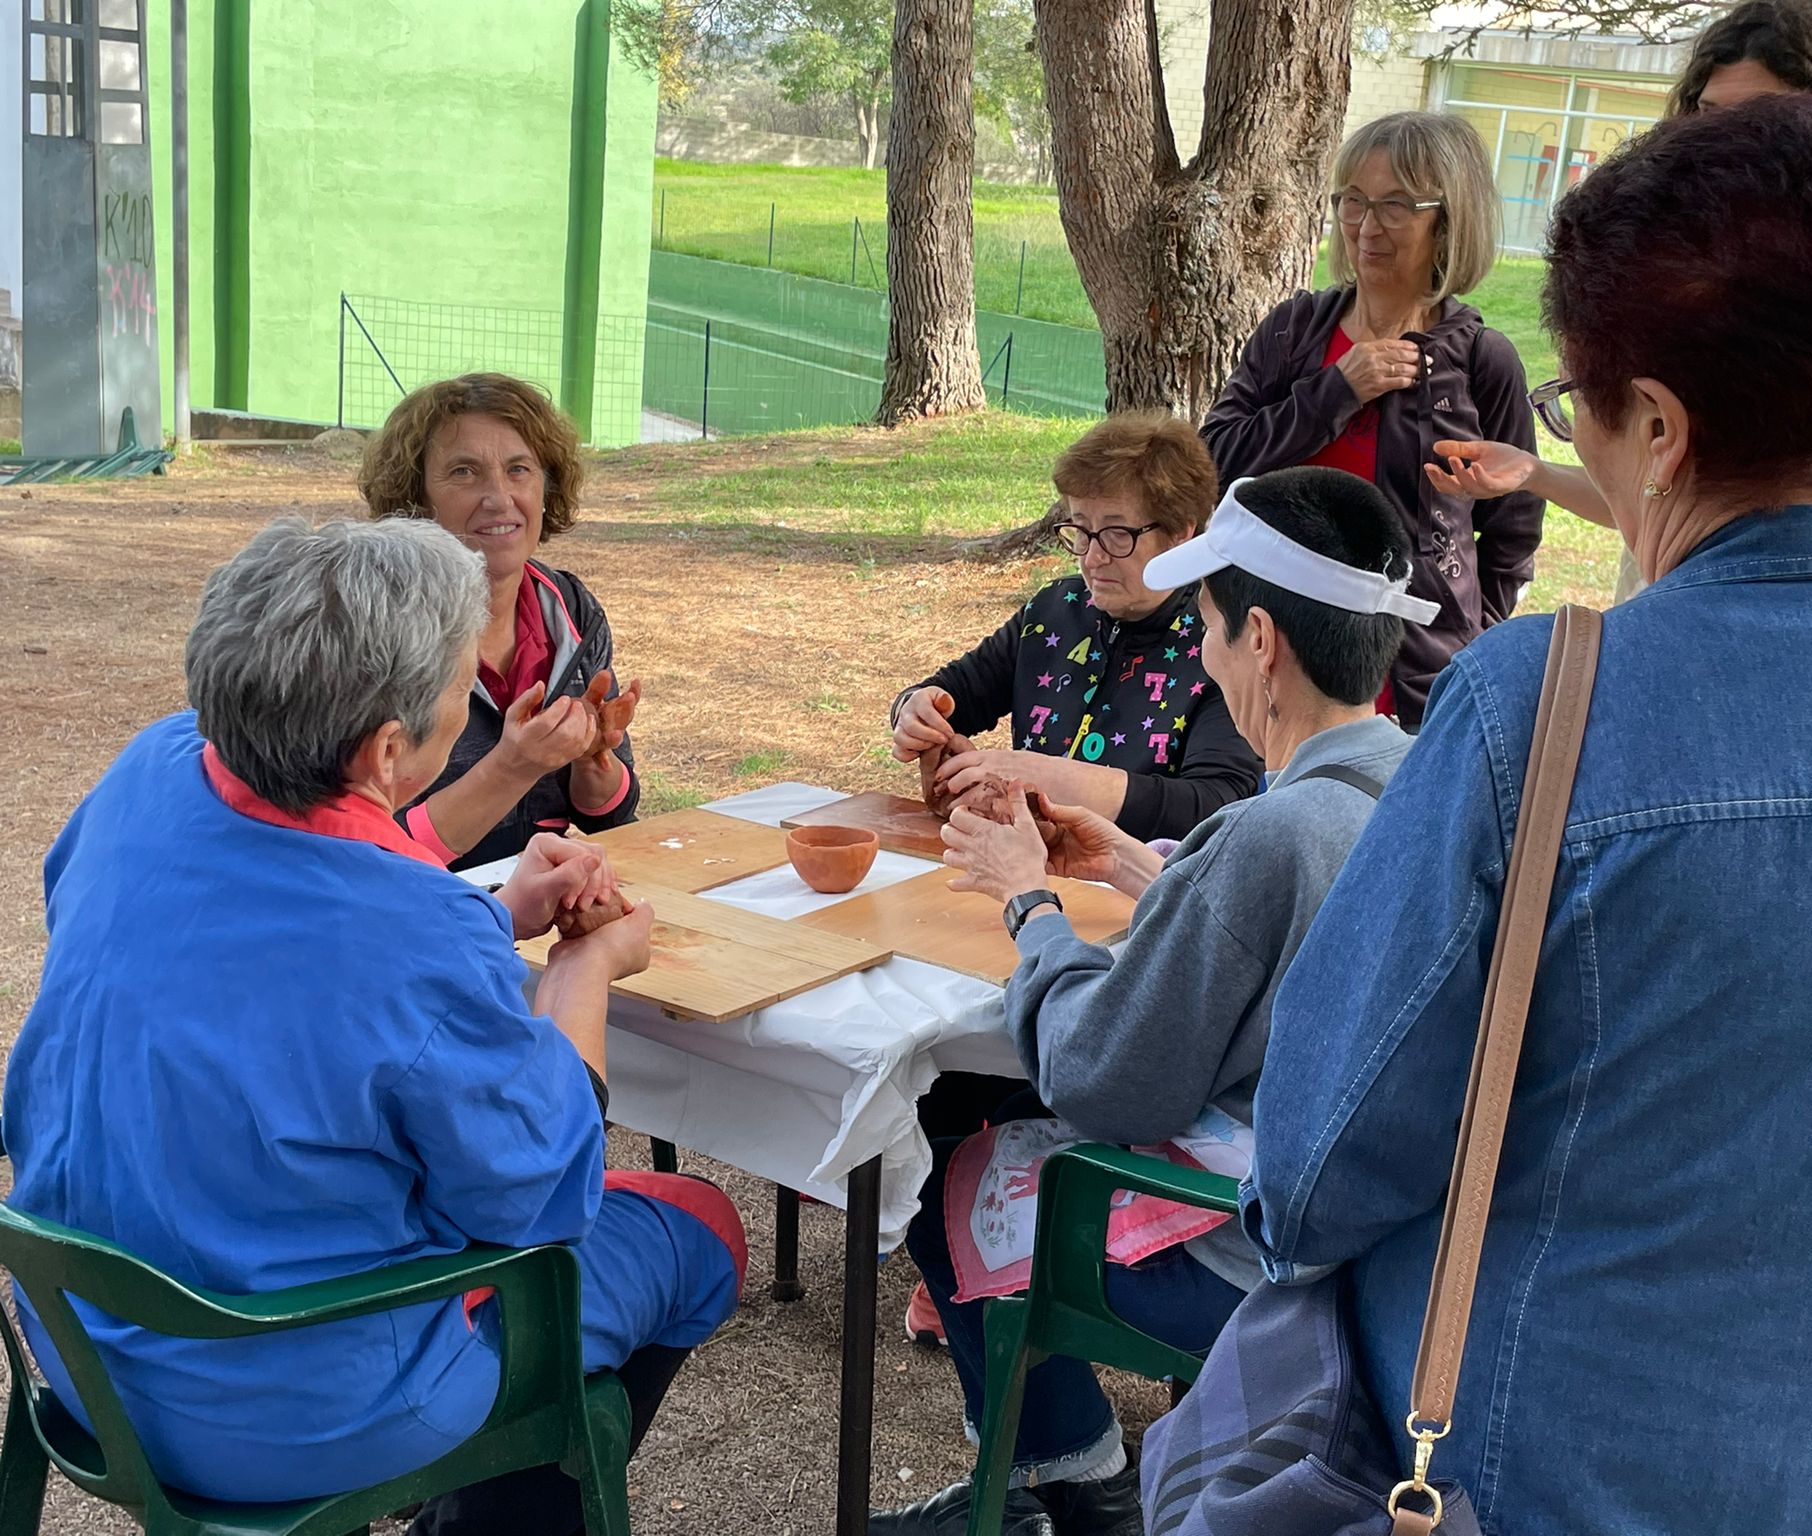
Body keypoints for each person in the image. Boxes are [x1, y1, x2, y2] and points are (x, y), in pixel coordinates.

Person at [1236, 96, 1812, 1533]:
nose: (1574, 435)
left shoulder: (1534, 713)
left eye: (1578, 408)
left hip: (1528, 1474)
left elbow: (1315, 1172)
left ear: (1657, 429)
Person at [2, 518, 745, 1535]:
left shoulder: (150, 770)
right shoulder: (415, 930)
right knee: (695, 1228)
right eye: (461, 689)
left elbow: (261, 948)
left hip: (83, 1348)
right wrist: (584, 969)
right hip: (294, 1408)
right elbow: (542, 1194)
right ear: (390, 749)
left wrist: (493, 914)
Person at [871, 468, 1431, 1536]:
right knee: (995, 1117)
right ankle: (1057, 1472)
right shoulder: (1413, 780)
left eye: (1209, 628)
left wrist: (1027, 899)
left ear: (1259, 641)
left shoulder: (1270, 835)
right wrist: (1139, 864)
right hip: (1378, 1224)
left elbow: (1103, 1078)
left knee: (944, 1166)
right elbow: (1279, 921)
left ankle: (1073, 1487)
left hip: (1258, 1248)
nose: (1203, 655)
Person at [1430, 0, 1812, 600]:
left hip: (1800, 622)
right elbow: (1664, 491)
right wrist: (1536, 473)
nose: (1721, 145)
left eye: (1761, 122)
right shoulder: (1668, 272)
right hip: (1662, 613)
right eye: (1709, 115)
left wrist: (1810, 514)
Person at [1199, 111, 1543, 727]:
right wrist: (1334, 392)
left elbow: (1512, 535)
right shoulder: (1294, 334)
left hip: (1411, 688)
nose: (1366, 226)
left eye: (1396, 205)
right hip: (1275, 662)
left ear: (1447, 223)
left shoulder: (1481, 361)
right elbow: (1215, 460)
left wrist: (1461, 640)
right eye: (1352, 201)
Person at [891, 411, 1259, 842]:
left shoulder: (1223, 642)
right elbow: (955, 693)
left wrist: (1053, 777)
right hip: (1024, 865)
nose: (1092, 557)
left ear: (1181, 533)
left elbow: (1219, 806)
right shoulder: (1055, 610)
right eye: (1080, 530)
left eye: (1117, 534)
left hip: (1145, 879)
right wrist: (914, 710)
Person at [360, 372, 642, 871]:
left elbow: (612, 816)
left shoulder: (570, 611)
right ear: (416, 499)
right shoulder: (374, 630)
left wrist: (591, 757)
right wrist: (512, 767)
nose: (498, 497)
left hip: (538, 897)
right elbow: (367, 854)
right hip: (418, 905)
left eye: (519, 470)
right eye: (464, 472)